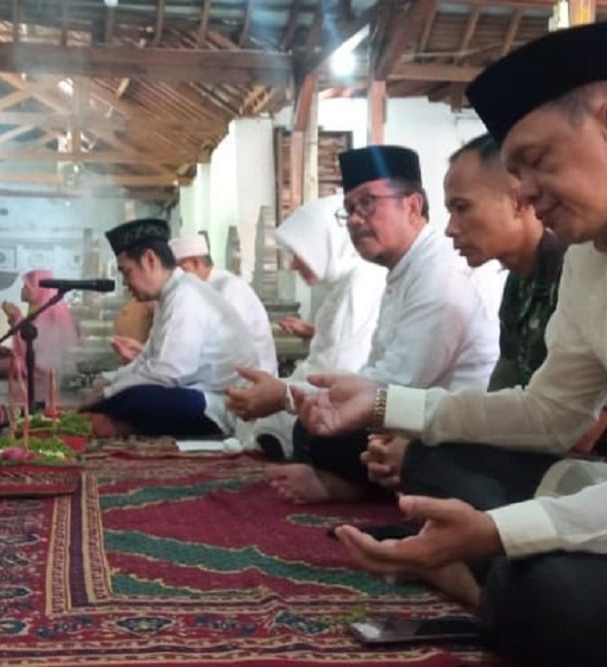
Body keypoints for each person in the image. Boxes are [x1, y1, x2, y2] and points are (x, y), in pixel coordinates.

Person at [293, 23, 607, 665]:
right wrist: (385, 403)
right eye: (515, 173)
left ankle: (483, 576)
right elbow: (547, 413)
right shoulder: (587, 260)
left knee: (550, 594)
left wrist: (499, 530)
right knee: (438, 467)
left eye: (539, 161)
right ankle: (490, 577)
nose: (525, 194)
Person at [226, 145, 500, 497]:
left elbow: (399, 385)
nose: (356, 219)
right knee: (316, 429)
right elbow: (375, 374)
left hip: (445, 431)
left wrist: (285, 395)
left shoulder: (439, 273)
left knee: (324, 434)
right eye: (350, 209)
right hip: (407, 417)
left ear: (413, 205)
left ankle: (351, 487)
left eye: (368, 203)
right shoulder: (403, 271)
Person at [368, 134, 607, 494]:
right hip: (542, 446)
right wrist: (396, 416)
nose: (450, 228)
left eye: (462, 208)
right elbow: (511, 397)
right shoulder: (519, 283)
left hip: (583, 466)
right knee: (404, 449)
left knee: (429, 460)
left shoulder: (570, 263)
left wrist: (399, 419)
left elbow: (580, 434)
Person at [81, 218, 258, 437]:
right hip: (192, 391)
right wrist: (109, 379)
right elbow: (147, 359)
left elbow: (169, 373)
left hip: (220, 403)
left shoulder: (187, 296)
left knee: (135, 398)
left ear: (149, 260)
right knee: (120, 393)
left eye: (127, 272)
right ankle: (118, 423)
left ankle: (116, 423)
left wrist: (109, 392)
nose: (125, 283)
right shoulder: (170, 296)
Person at [244, 194, 387, 457]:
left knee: (301, 428)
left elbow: (342, 375)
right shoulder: (346, 284)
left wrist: (283, 394)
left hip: (362, 405)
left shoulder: (361, 284)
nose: (293, 264)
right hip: (347, 396)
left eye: (301, 252)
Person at [157, 233, 280, 374]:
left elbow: (225, 344)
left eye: (178, 270)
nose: (175, 278)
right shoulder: (193, 290)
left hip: (252, 380)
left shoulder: (231, 288)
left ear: (195, 263)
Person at [1, 269, 79, 411]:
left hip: (44, 384)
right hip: (37, 380)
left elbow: (39, 352)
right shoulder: (38, 307)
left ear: (37, 288)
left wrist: (17, 319)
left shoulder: (51, 310)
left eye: (26, 286)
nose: (22, 290)